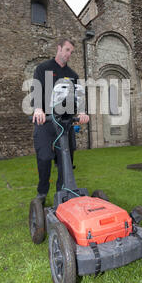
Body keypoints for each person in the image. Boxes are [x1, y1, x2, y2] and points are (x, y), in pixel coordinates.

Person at [32, 38, 89, 203]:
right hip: (46, 122)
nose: (69, 54)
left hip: (65, 124)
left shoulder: (73, 75)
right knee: (44, 158)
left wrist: (82, 112)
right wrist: (38, 109)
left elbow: (78, 96)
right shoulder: (43, 69)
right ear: (59, 48)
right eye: (66, 50)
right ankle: (42, 193)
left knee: (66, 159)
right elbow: (36, 90)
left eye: (71, 52)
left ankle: (61, 194)